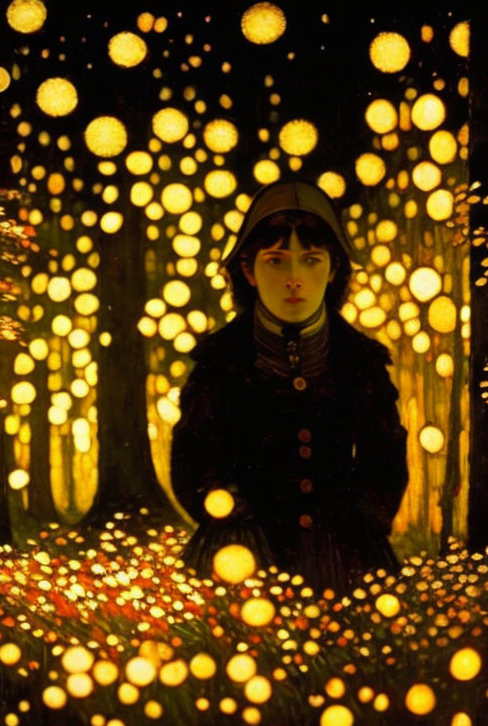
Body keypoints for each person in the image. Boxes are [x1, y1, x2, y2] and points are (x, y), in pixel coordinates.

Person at [170, 180, 408, 594]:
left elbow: (385, 461)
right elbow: (193, 461)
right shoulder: (218, 363)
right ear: (248, 269)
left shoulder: (362, 363)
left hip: (343, 547)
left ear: (333, 268)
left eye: (311, 260)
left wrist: (359, 522)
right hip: (239, 545)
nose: (294, 279)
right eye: (277, 261)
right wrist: (228, 511)